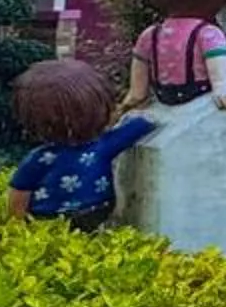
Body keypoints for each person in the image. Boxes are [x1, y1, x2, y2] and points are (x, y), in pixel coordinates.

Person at [8, 59, 157, 231]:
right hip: (87, 211)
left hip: (59, 215)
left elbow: (18, 196)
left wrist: (18, 225)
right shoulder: (102, 146)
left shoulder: (41, 157)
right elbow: (143, 123)